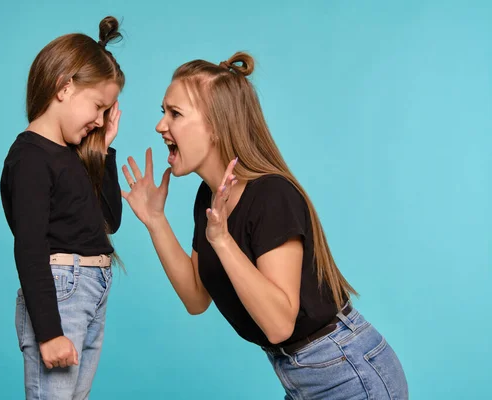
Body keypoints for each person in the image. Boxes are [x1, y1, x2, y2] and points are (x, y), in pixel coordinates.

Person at [121, 52, 409, 399]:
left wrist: (223, 240)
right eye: (163, 111)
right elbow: (197, 297)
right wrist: (155, 221)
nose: (160, 125)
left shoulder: (272, 195)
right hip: (299, 373)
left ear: (215, 126)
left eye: (175, 113)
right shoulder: (208, 197)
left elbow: (279, 324)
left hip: (346, 371)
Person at [0, 16, 125, 400]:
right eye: (98, 106)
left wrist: (102, 153)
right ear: (65, 87)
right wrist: (50, 333)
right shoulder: (31, 157)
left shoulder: (74, 155)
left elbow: (109, 222)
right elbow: (30, 246)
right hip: (60, 291)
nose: (100, 120)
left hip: (91, 290)